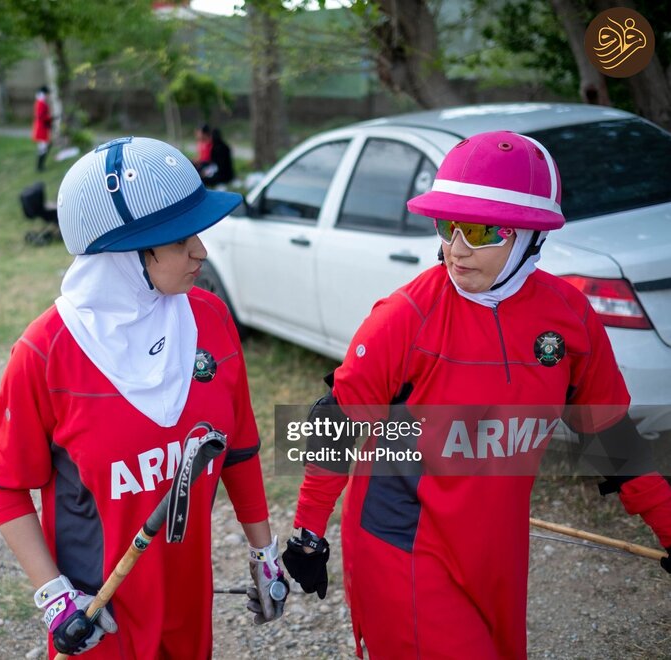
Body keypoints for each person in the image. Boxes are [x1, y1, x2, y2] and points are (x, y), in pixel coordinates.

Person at [281, 131, 671, 658]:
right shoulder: (405, 317)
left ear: (530, 236)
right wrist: (307, 534)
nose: (458, 248)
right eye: (448, 226)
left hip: (495, 547)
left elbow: (612, 440)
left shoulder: (570, 318)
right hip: (401, 542)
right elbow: (335, 422)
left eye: (483, 231)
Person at [0, 136, 288, 658]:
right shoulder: (44, 351)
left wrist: (265, 554)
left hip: (188, 604)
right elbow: (7, 488)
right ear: (123, 253)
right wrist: (55, 597)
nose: (201, 251)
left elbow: (238, 450)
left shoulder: (211, 319)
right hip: (100, 618)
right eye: (179, 238)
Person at [33, 86, 52, 172]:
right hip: (41, 128)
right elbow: (41, 116)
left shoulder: (41, 102)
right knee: (43, 147)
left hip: (42, 128)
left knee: (44, 147)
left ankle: (40, 166)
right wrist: (49, 118)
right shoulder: (41, 102)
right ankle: (40, 167)